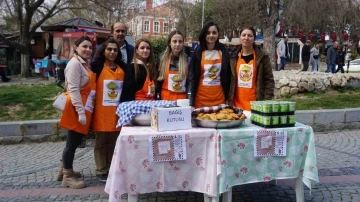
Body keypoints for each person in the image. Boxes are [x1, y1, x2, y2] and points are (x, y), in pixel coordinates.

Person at [58, 36, 96, 189]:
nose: (88, 50)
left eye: (90, 47)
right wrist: (80, 112)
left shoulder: (84, 64)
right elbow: (73, 89)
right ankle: (67, 177)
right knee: (71, 143)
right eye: (84, 47)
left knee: (73, 142)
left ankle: (63, 170)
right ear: (76, 47)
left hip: (84, 107)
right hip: (76, 108)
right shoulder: (74, 64)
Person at [90, 38, 125, 183]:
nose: (112, 52)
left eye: (115, 50)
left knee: (113, 141)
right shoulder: (96, 67)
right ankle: (100, 169)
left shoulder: (122, 68)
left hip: (116, 111)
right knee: (100, 142)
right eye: (109, 49)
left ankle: (111, 166)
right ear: (103, 51)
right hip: (100, 111)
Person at [228, 27, 275, 111]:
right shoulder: (232, 57)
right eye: (244, 35)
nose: (246, 38)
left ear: (254, 39)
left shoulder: (262, 57)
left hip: (256, 106)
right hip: (235, 106)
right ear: (240, 38)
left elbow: (269, 80)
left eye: (250, 35)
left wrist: (266, 101)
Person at [189, 22, 232, 108]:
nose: (211, 35)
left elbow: (228, 75)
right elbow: (192, 78)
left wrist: (228, 97)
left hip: (219, 98)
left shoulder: (224, 51)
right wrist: (191, 101)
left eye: (214, 33)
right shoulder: (197, 52)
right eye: (208, 33)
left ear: (218, 34)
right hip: (200, 99)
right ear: (204, 34)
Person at [155, 30, 189, 101]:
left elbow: (190, 83)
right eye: (174, 41)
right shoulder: (162, 59)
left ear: (183, 43)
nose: (177, 44)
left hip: (182, 101)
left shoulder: (188, 60)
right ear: (169, 43)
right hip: (165, 100)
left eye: (180, 41)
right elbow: (158, 82)